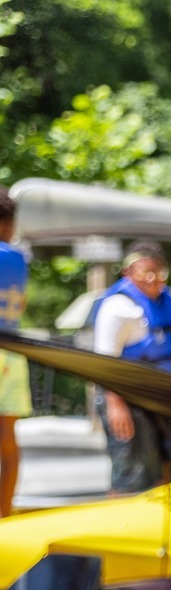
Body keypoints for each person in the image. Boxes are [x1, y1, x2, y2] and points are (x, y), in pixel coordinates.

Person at [85, 240, 171, 493]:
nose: (152, 279)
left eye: (158, 272)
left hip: (161, 397)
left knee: (166, 471)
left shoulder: (166, 301)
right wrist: (116, 405)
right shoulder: (118, 307)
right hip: (125, 397)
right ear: (128, 272)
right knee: (131, 476)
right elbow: (104, 362)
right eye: (145, 272)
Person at [0, 188, 29, 515]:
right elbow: (21, 304)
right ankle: (4, 515)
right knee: (7, 438)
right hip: (10, 350)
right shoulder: (19, 260)